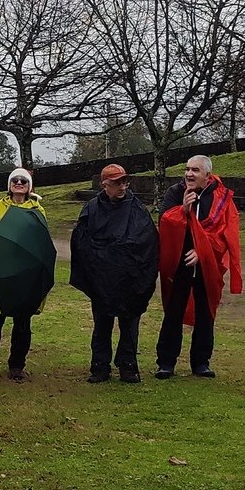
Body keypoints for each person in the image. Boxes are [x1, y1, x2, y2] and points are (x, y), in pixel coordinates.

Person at [156, 154, 243, 379]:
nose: (188, 174)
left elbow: (226, 234)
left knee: (206, 313)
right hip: (180, 262)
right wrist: (183, 210)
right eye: (187, 169)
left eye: (195, 170)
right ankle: (166, 362)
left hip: (207, 264)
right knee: (173, 311)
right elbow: (164, 221)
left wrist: (202, 252)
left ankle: (201, 362)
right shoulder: (175, 193)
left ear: (207, 175)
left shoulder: (221, 197)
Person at [70, 164, 159, 384]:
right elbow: (81, 243)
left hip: (130, 279)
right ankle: (100, 366)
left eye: (124, 182)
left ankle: (128, 365)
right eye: (117, 182)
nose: (122, 186)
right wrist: (96, 269)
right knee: (102, 323)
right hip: (101, 279)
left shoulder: (137, 209)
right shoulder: (91, 209)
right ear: (105, 185)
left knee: (129, 323)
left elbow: (148, 242)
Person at [0, 168, 47, 382]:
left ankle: (17, 365)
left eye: (23, 181)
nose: (18, 183)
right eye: (15, 180)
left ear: (29, 185)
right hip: (1, 268)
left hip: (25, 272)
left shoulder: (37, 209)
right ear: (9, 184)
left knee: (22, 321)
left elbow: (42, 239)